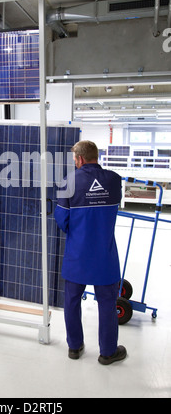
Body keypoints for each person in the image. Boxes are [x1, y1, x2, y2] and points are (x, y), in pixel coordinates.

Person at [54, 140, 127, 365]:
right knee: (107, 302)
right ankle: (107, 352)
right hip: (105, 256)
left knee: (72, 301)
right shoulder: (114, 180)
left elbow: (62, 221)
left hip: (77, 255)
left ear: (80, 159)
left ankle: (74, 348)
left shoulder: (68, 181)